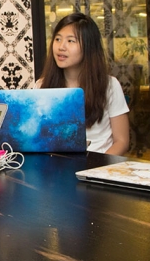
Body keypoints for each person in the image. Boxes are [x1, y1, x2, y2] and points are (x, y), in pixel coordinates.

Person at [37, 13, 130, 155]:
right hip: (57, 168)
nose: (61, 47)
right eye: (57, 39)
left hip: (99, 167)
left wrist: (98, 168)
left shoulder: (110, 85)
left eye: (71, 41)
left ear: (88, 47)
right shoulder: (41, 86)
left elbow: (122, 141)